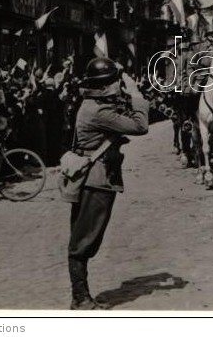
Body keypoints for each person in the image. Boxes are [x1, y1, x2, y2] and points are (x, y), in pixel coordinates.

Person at [68, 57, 149, 310]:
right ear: (106, 85)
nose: (120, 85)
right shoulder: (99, 111)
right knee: (83, 241)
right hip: (97, 180)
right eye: (116, 81)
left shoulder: (93, 103)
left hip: (94, 178)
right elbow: (140, 125)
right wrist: (136, 94)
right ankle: (80, 298)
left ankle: (81, 296)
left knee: (84, 238)